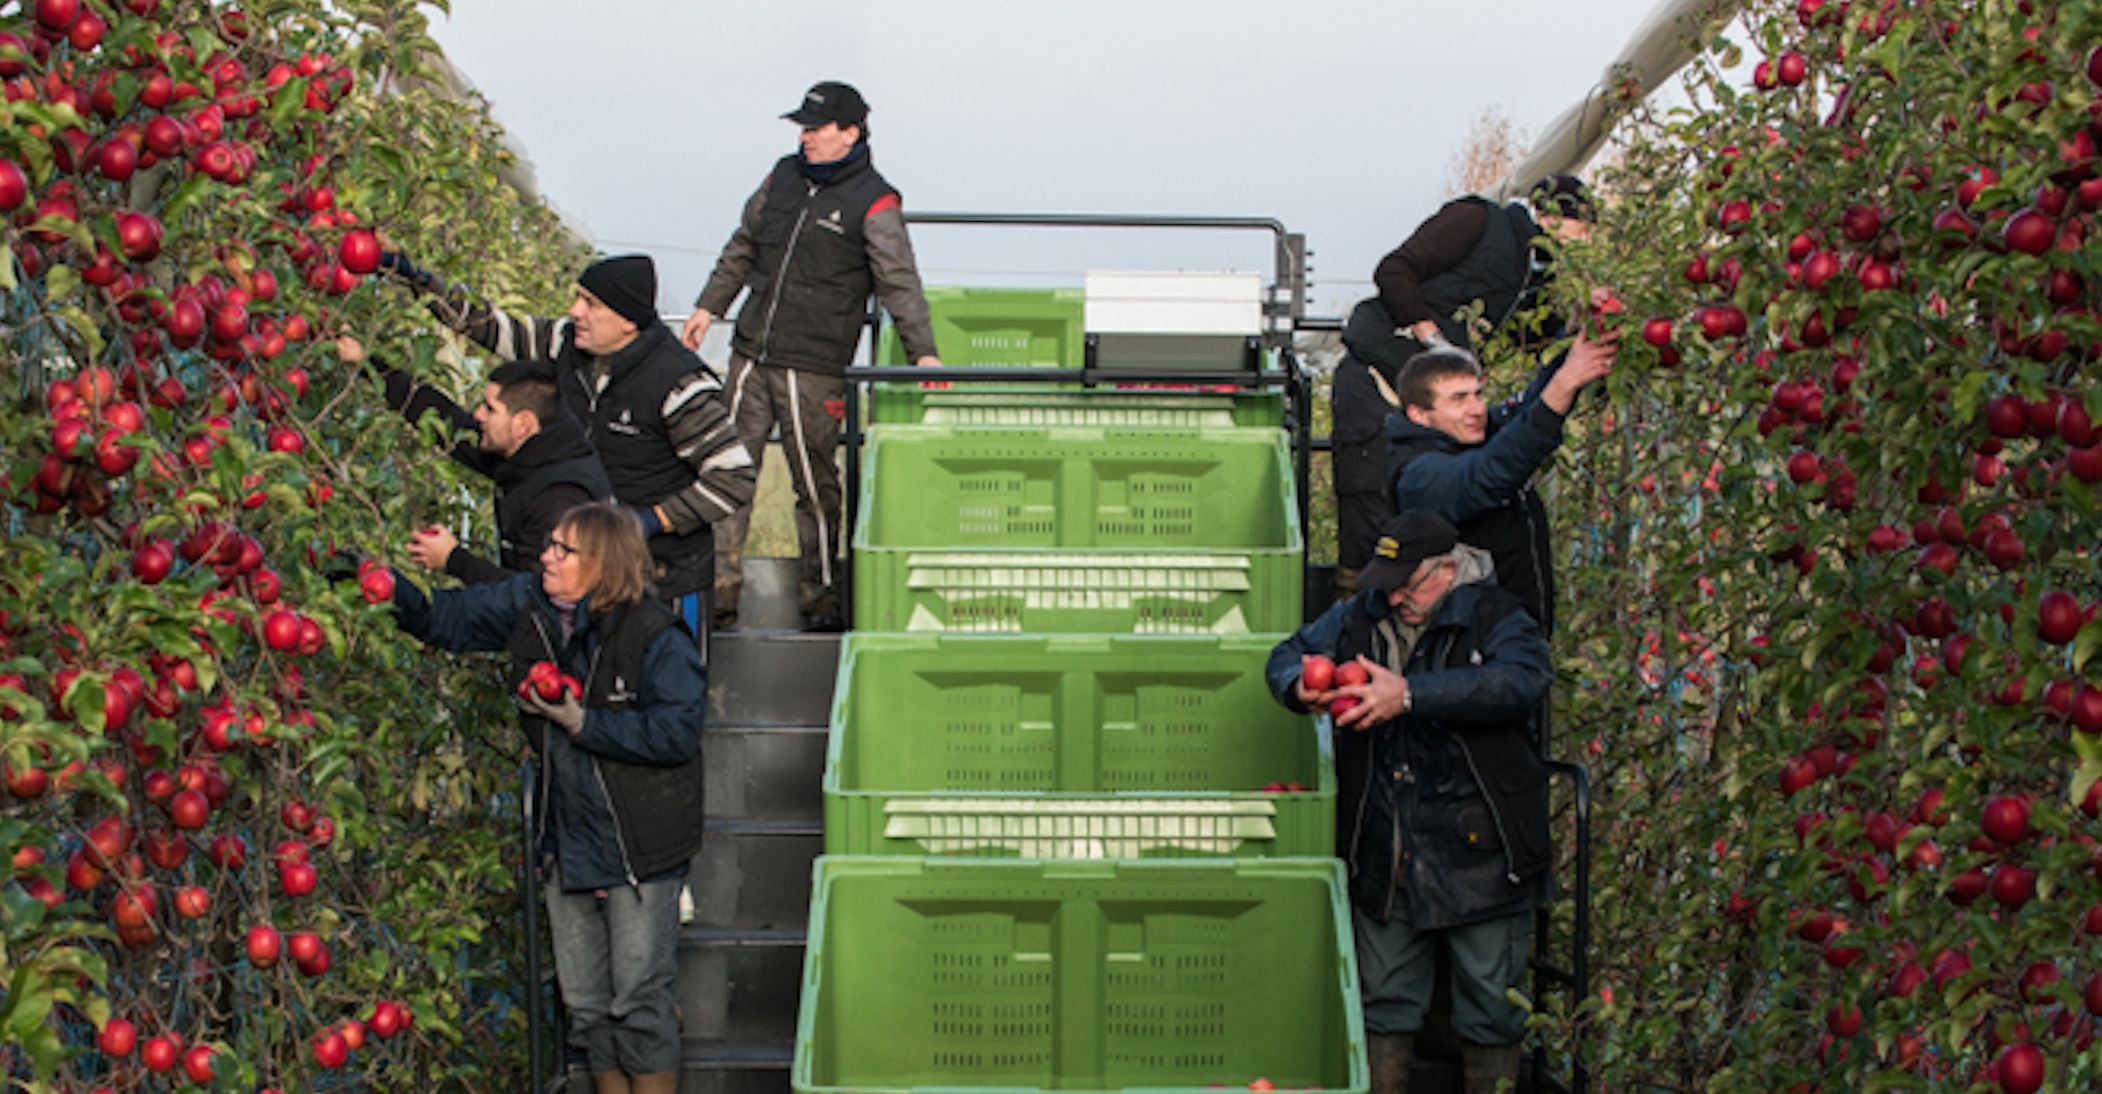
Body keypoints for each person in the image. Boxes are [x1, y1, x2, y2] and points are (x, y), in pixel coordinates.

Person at [388, 502, 705, 1094]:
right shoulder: (531, 606)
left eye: (563, 550)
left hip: (640, 841)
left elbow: (676, 732)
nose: (546, 557)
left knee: (640, 998)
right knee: (586, 1005)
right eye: (550, 545)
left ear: (603, 564)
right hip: (569, 836)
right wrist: (388, 590)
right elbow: (444, 619)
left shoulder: (654, 633)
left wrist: (585, 723)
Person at [1266, 510, 1553, 1094]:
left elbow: (1521, 680)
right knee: (1383, 1003)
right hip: (1388, 845)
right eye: (1387, 582)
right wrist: (1301, 684)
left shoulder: (1496, 616)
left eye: (1407, 583)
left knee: (1491, 1006)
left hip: (1483, 853)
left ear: (1448, 569)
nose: (1394, 596)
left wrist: (1413, 696)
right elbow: (1287, 655)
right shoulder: (1361, 615)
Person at [379, 250, 757, 656]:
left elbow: (733, 477)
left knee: (662, 688)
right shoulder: (568, 347)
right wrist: (415, 278)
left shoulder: (677, 384)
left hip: (666, 579)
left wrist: (650, 521)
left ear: (627, 320)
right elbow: (494, 329)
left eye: (590, 304)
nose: (576, 311)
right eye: (578, 298)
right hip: (590, 580)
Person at [679, 80, 942, 632]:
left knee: (816, 485)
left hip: (815, 366)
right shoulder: (781, 176)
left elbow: (899, 282)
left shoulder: (876, 200)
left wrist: (924, 354)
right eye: (802, 128)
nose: (805, 138)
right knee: (726, 473)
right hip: (751, 352)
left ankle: (820, 595)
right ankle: (719, 594)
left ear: (850, 133)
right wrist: (709, 306)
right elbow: (743, 244)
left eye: (816, 128)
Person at [1330, 175, 1596, 594]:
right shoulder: (1477, 220)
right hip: (1379, 379)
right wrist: (1435, 342)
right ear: (1551, 216)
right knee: (1374, 516)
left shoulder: (1537, 277)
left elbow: (1539, 341)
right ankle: (1356, 628)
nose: (1578, 249)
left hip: (1437, 405)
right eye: (1579, 234)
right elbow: (1395, 270)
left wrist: (1582, 330)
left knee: (1434, 522)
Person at [1384, 337, 1613, 639]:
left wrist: (1570, 342)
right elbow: (1489, 474)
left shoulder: (1469, 438)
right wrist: (1564, 384)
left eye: (1478, 395)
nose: (1476, 409)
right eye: (1459, 399)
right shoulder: (1419, 475)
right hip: (1469, 656)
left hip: (1514, 640)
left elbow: (1526, 409)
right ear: (1419, 415)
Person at [336, 335, 612, 584]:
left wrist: (453, 559)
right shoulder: (530, 451)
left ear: (523, 424)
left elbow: (533, 598)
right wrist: (367, 363)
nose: (478, 415)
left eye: (490, 408)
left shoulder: (560, 500)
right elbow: (445, 420)